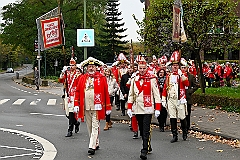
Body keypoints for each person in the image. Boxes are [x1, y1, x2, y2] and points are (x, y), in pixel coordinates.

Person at [74, 57, 111, 155]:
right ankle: (96, 142)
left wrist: (108, 107)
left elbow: (106, 93)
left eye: (93, 67)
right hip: (86, 106)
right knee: (89, 126)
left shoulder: (102, 78)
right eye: (89, 66)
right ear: (86, 68)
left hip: (97, 106)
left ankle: (91, 146)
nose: (91, 68)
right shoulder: (82, 78)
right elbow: (77, 91)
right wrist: (76, 104)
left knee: (95, 126)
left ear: (96, 68)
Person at [127, 57, 161, 160]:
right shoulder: (134, 78)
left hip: (148, 107)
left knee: (146, 129)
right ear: (138, 68)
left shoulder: (152, 78)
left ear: (147, 68)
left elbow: (156, 94)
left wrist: (158, 108)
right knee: (141, 128)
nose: (142, 70)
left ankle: (144, 149)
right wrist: (129, 107)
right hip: (137, 108)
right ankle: (148, 145)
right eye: (140, 68)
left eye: (144, 68)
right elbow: (131, 94)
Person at [162, 51, 189, 143]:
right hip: (171, 99)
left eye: (177, 65)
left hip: (180, 99)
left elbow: (187, 84)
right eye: (173, 65)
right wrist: (163, 99)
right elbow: (166, 88)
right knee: (172, 117)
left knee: (182, 117)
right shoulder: (169, 76)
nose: (175, 67)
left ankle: (185, 132)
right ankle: (174, 135)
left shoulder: (183, 75)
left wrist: (181, 74)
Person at [59, 58, 81, 137]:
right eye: (70, 65)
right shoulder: (67, 73)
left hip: (74, 95)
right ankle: (76, 123)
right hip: (67, 94)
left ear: (76, 66)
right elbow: (61, 80)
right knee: (67, 114)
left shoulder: (78, 74)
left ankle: (70, 130)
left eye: (73, 65)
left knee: (71, 113)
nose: (71, 67)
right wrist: (62, 72)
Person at [180, 58, 199, 131]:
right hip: (180, 97)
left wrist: (190, 91)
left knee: (187, 113)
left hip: (187, 98)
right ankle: (182, 126)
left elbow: (196, 85)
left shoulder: (191, 76)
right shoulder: (178, 76)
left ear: (187, 68)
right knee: (181, 113)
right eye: (182, 67)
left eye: (185, 67)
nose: (183, 69)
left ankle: (187, 126)